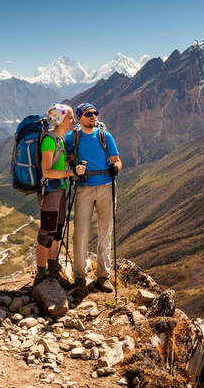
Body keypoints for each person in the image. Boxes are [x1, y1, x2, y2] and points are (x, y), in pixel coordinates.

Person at [65, 102, 122, 293]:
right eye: (88, 114)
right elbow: (63, 157)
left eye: (95, 113)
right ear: (80, 118)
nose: (93, 116)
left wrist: (116, 168)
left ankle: (103, 277)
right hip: (84, 188)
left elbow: (117, 161)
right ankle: (79, 276)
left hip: (106, 186)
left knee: (105, 232)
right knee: (80, 234)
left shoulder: (105, 135)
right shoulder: (72, 137)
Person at [34, 104, 86, 285]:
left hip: (60, 190)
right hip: (49, 192)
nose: (74, 120)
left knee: (56, 232)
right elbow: (47, 172)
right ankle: (40, 275)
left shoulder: (60, 140)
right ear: (59, 119)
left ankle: (52, 269)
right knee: (46, 234)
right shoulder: (49, 140)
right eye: (70, 117)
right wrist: (73, 172)